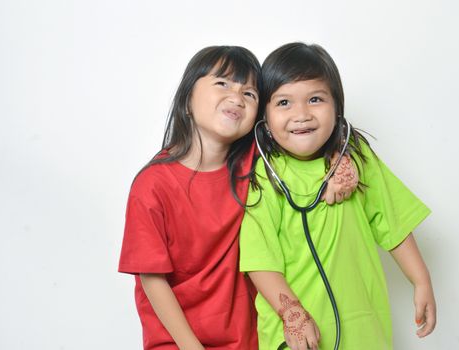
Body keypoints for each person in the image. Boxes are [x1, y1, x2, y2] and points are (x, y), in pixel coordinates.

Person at [118, 45, 358, 349]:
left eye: (250, 94)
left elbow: (307, 140)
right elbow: (152, 279)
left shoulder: (256, 165)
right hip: (177, 341)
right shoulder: (152, 185)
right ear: (187, 99)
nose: (237, 97)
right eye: (222, 83)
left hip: (247, 340)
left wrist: (342, 160)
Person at [239, 42, 437, 350]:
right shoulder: (265, 177)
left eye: (315, 99)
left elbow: (393, 222)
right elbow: (259, 260)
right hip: (296, 335)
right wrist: (292, 312)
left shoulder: (357, 161)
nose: (301, 114)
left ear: (337, 107)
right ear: (264, 117)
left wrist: (421, 279)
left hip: (363, 329)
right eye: (284, 103)